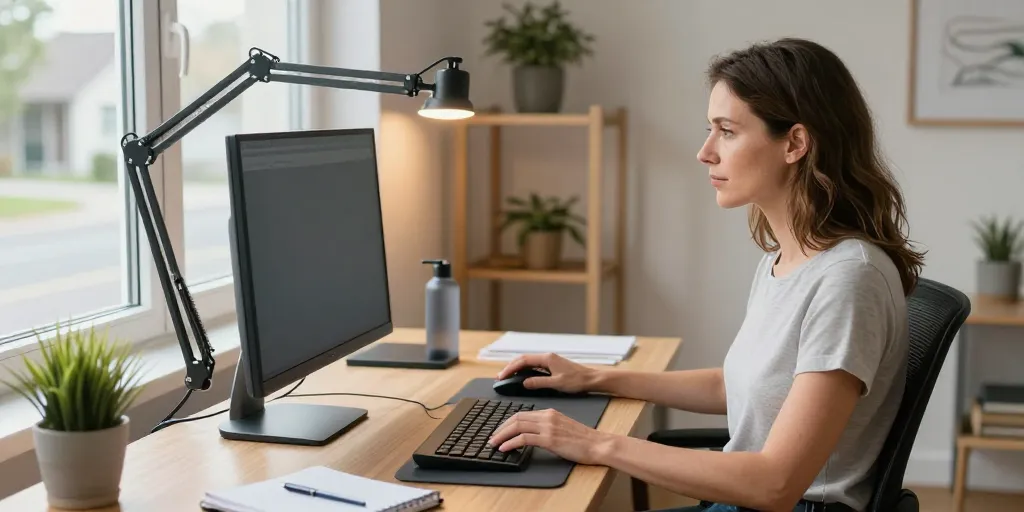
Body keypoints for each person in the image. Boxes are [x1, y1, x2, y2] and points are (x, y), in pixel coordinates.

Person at [487, 37, 926, 512]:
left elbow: (775, 485)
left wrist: (596, 444)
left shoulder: (848, 280)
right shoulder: (787, 260)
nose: (705, 151)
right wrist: (594, 378)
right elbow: (734, 385)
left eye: (727, 131)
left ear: (795, 143)